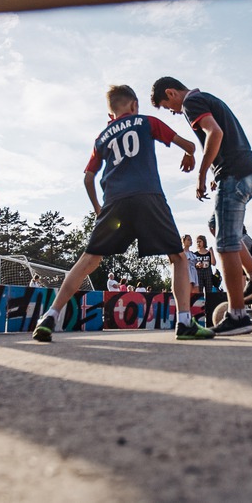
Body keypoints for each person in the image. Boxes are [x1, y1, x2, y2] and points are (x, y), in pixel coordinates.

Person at [32, 84, 213, 341]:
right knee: (178, 258)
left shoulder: (102, 137)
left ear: (111, 111)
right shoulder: (146, 121)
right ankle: (184, 322)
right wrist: (189, 154)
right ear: (133, 105)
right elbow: (188, 145)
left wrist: (98, 208)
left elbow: (88, 177)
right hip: (147, 195)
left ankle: (50, 315)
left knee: (88, 260)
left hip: (114, 202)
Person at [152, 76, 252, 336]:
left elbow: (214, 133)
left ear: (171, 93)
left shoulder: (191, 103)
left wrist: (202, 175)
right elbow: (223, 137)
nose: (172, 112)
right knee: (217, 226)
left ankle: (238, 316)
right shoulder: (207, 98)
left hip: (235, 174)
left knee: (225, 243)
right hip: (247, 171)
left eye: (167, 106)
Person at [193, 234, 216, 300]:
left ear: (204, 242)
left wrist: (211, 252)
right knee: (199, 292)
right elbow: (193, 265)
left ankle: (209, 306)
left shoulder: (208, 253)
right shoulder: (195, 254)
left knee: (209, 292)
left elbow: (213, 263)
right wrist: (197, 265)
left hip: (208, 273)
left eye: (200, 241)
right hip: (198, 274)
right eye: (197, 242)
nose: (198, 243)